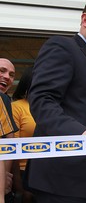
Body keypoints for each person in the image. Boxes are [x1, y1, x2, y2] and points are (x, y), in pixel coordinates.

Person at [26, 0, 86, 203]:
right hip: (63, 182)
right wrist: (81, 133)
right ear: (85, 19)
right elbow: (42, 100)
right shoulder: (63, 47)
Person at [11, 66, 36, 203]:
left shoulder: (54, 108)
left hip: (49, 173)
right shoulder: (17, 107)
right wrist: (20, 188)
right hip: (23, 172)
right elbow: (12, 148)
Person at [0, 58, 18, 203]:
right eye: (2, 71)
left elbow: (7, 142)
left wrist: (4, 175)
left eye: (11, 75)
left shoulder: (4, 100)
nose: (7, 77)